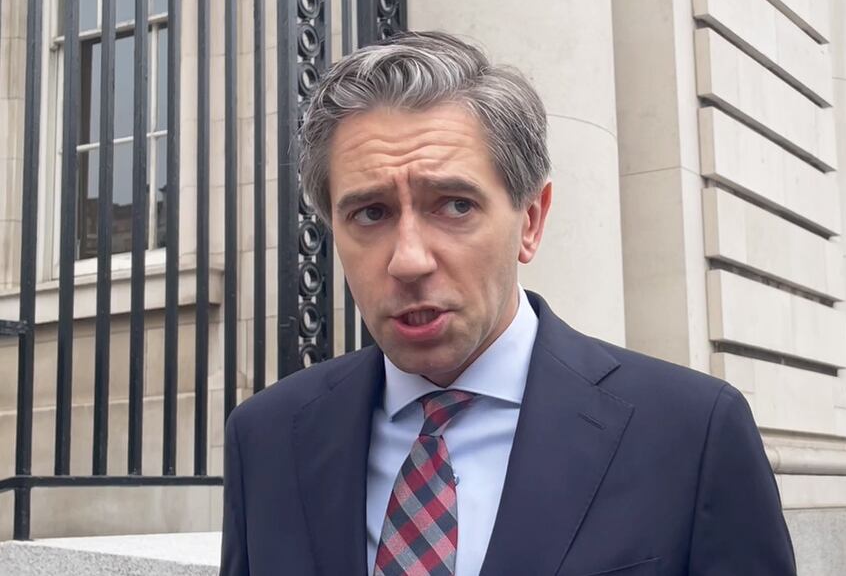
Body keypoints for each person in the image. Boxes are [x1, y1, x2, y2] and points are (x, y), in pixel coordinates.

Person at [219, 31, 797, 576]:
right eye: (370, 213)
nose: (409, 259)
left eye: (454, 205)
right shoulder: (266, 439)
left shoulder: (691, 432)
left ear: (531, 220)